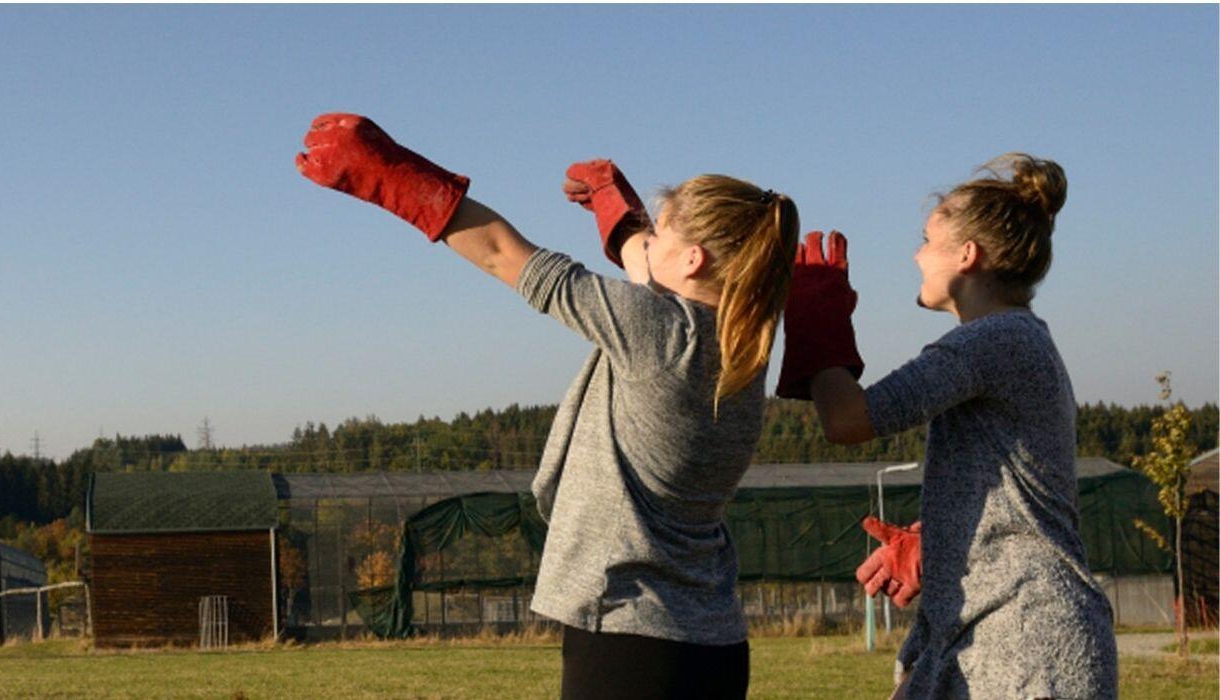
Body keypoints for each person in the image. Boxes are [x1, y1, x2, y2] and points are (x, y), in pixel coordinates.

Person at [295, 112, 797, 699]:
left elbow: (503, 253)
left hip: (630, 643)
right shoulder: (743, 349)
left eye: (661, 234)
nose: (647, 242)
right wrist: (625, 216)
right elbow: (646, 265)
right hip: (714, 648)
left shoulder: (655, 331)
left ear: (693, 261)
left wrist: (394, 176)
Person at [777, 153, 1115, 699]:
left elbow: (848, 420)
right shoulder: (1015, 339)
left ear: (967, 254)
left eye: (927, 241)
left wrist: (819, 318)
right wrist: (940, 544)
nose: (916, 255)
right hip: (992, 631)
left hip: (1028, 642)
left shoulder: (993, 339)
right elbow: (1019, 502)